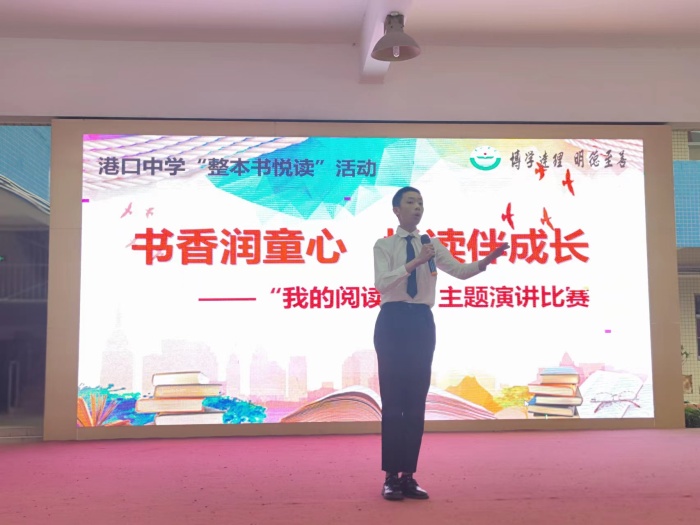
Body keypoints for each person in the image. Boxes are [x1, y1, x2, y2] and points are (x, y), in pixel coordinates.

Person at [373, 186, 509, 501]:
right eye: (411, 202)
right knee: (393, 403)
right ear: (396, 210)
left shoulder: (432, 245)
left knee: (415, 403)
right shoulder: (384, 245)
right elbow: (381, 283)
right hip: (392, 322)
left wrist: (485, 262)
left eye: (421, 202)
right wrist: (415, 262)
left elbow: (460, 271)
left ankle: (408, 476)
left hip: (421, 323)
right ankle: (390, 477)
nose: (417, 207)